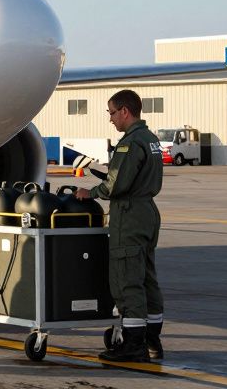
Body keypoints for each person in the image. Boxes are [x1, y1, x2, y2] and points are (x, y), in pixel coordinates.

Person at [76, 89, 165, 362]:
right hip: (148, 212)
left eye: (112, 113)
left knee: (127, 281)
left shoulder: (129, 143)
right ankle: (152, 343)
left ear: (125, 111)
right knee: (148, 278)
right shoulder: (150, 140)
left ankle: (133, 346)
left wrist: (88, 193)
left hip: (129, 215)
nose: (111, 119)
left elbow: (116, 184)